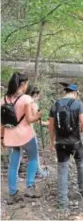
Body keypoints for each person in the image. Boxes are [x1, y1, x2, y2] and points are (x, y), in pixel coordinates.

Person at [1, 72, 42, 204]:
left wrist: (1, 137)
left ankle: (13, 193)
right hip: (26, 135)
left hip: (11, 136)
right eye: (27, 84)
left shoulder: (3, 99)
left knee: (13, 165)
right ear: (23, 84)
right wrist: (38, 115)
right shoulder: (26, 99)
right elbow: (30, 119)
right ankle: (29, 187)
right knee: (33, 158)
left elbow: (1, 122)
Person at [48, 84, 83, 210]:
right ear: (75, 92)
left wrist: (52, 141)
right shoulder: (78, 104)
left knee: (62, 170)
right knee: (80, 165)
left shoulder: (55, 104)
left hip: (60, 143)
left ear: (65, 92)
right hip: (75, 142)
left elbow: (51, 125)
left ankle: (62, 203)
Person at [27, 86, 49, 179]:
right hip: (29, 132)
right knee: (34, 153)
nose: (38, 97)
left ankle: (36, 170)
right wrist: (46, 123)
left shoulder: (22, 102)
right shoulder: (33, 104)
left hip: (19, 132)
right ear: (35, 95)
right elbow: (35, 119)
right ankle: (38, 172)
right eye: (38, 96)